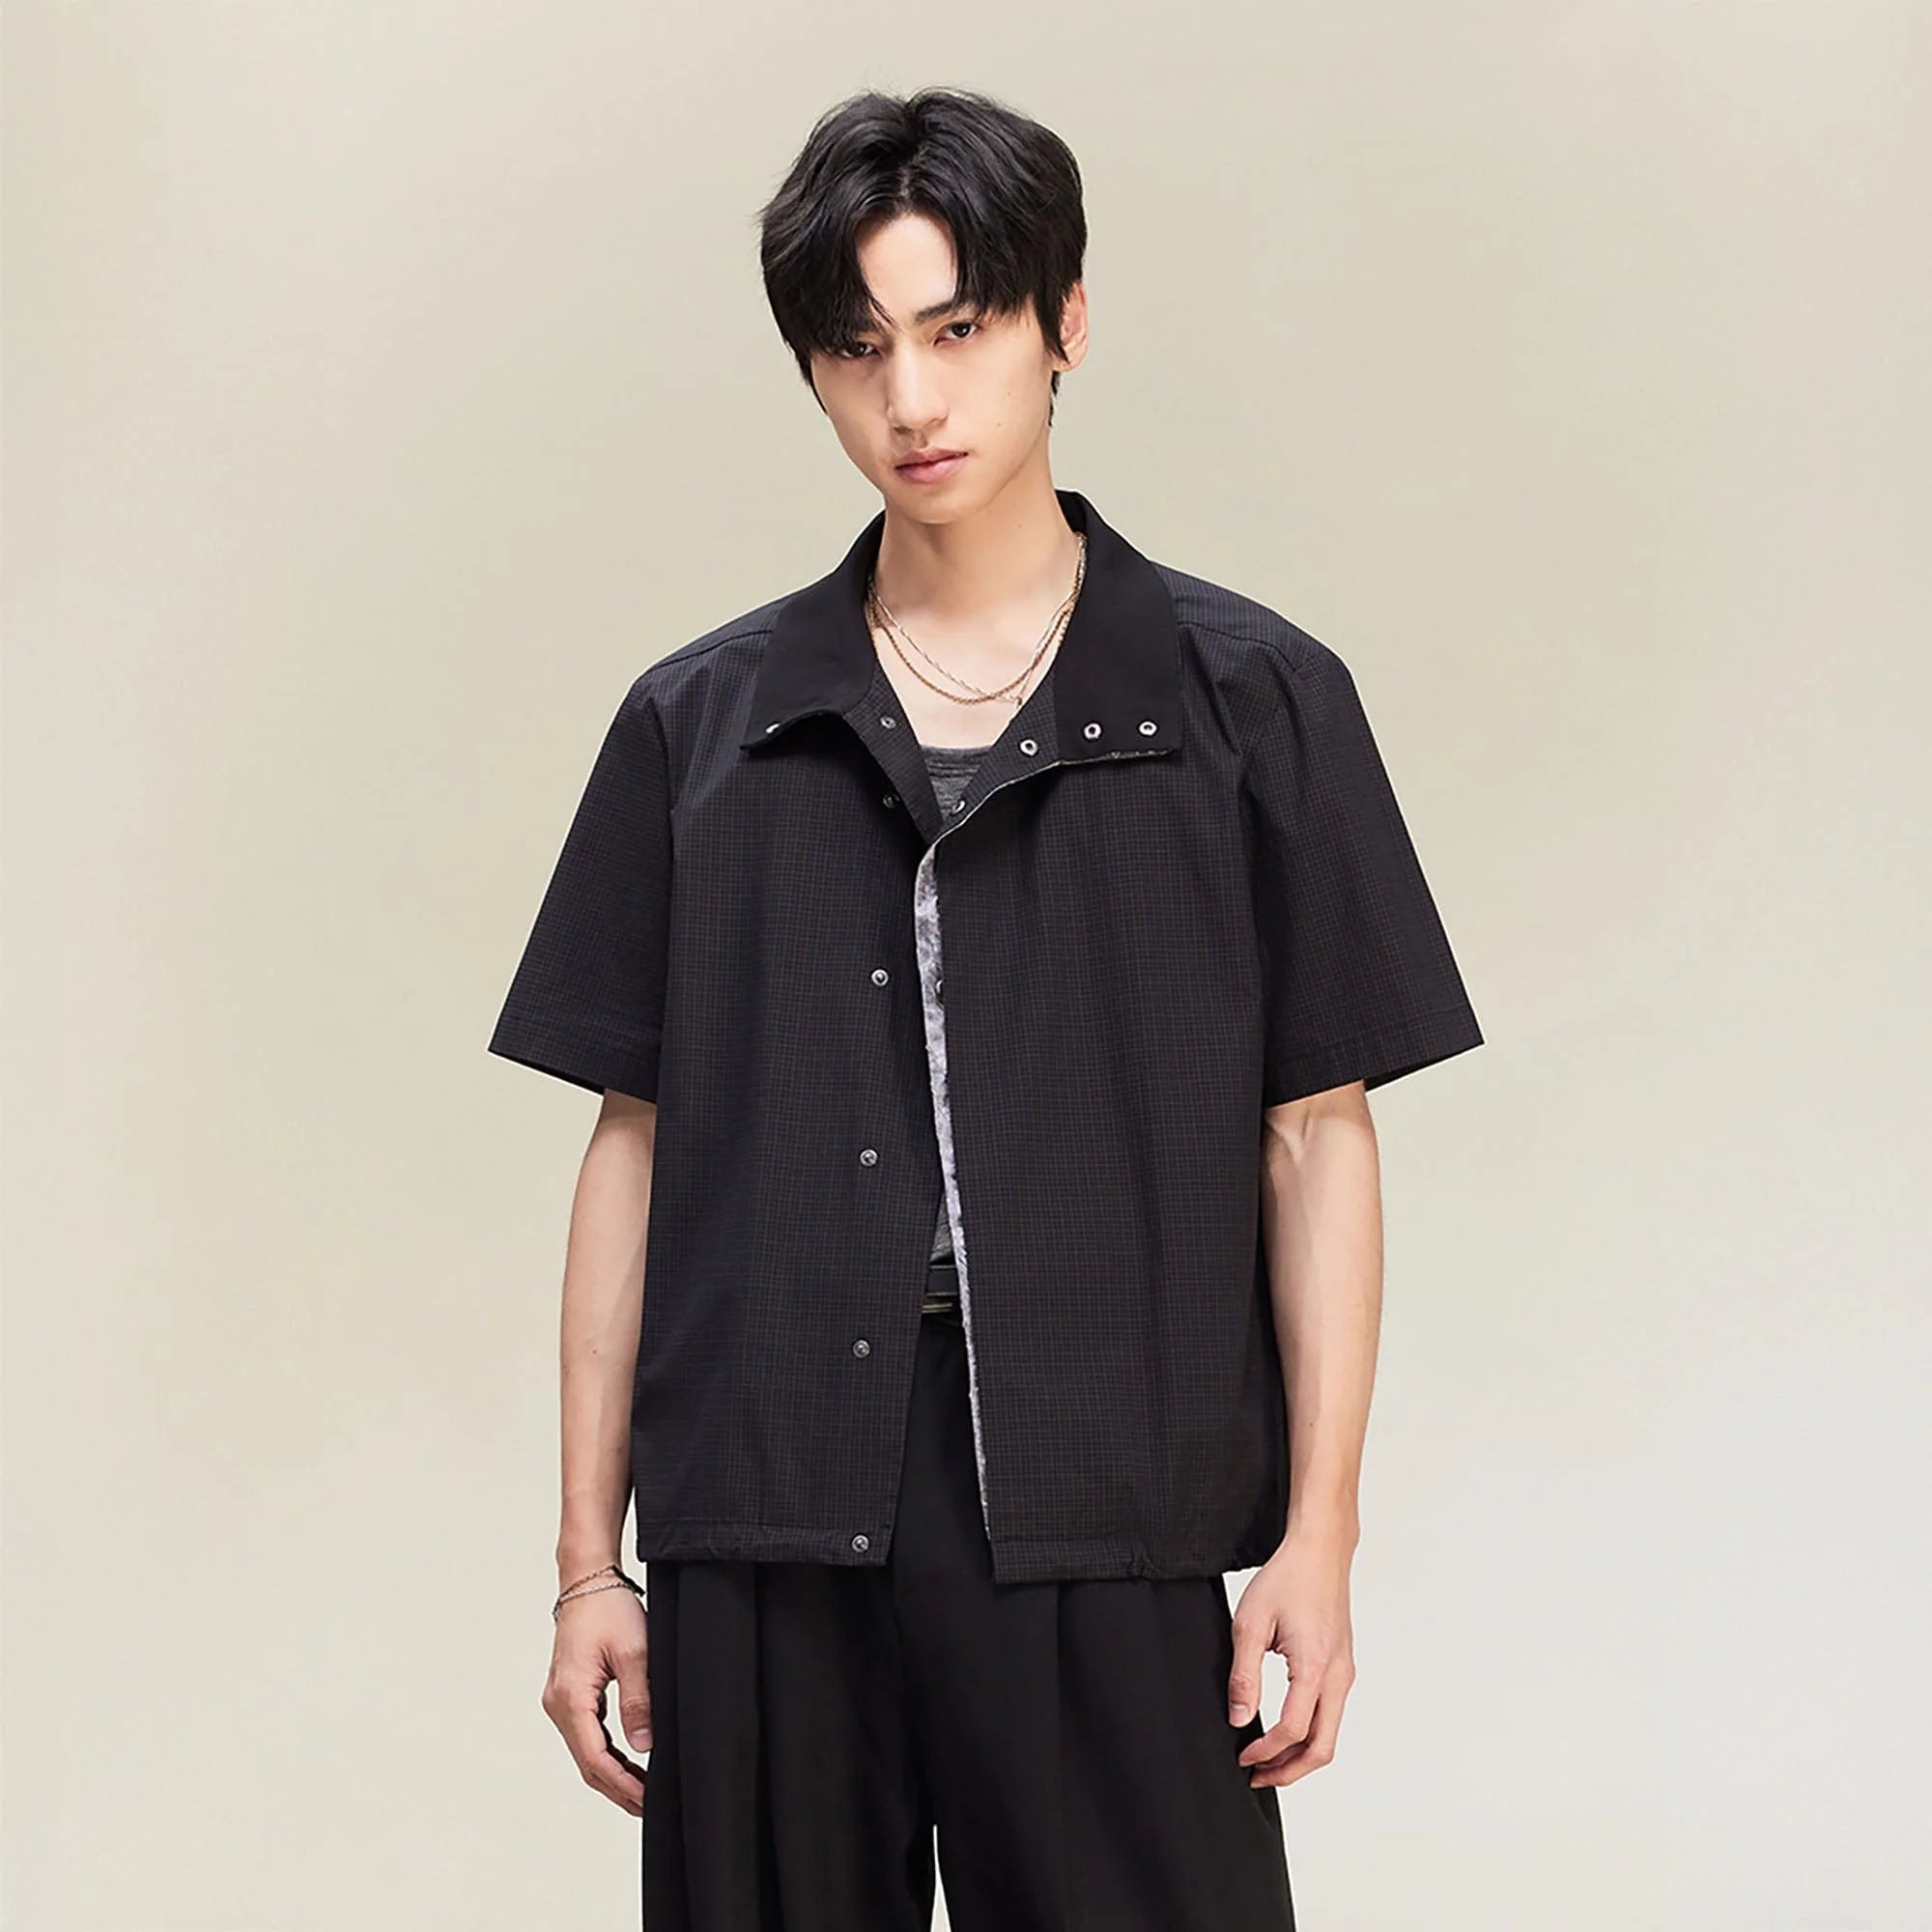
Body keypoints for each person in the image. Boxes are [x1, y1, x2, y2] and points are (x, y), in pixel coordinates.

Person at [488, 83, 1483, 1932]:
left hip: (1107, 1485)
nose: (913, 402)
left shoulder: (1249, 700)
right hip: (769, 1494)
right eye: (859, 350)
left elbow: (1315, 1137)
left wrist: (1319, 1536)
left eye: (959, 331)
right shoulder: (702, 728)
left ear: (1064, 323)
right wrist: (584, 1562)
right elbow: (632, 1147)